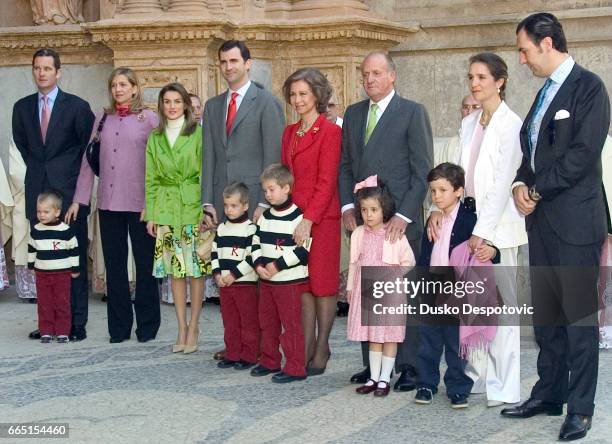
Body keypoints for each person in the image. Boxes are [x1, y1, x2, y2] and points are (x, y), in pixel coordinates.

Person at [502, 13, 610, 442]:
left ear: (547, 43)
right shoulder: (544, 94)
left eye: (525, 50)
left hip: (576, 222)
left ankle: (580, 408)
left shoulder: (589, 87)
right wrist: (517, 185)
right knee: (548, 316)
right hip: (542, 221)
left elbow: (583, 155)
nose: (522, 60)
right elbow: (530, 150)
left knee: (578, 319)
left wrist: (537, 189)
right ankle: (549, 392)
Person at [428, 53, 526, 406]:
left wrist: (484, 234)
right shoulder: (469, 124)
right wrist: (437, 211)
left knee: (502, 309)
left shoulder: (511, 124)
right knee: (472, 307)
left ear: (500, 81)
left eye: (482, 77)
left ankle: (505, 387)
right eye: (471, 76)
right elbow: (456, 180)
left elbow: (502, 184)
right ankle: (479, 377)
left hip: (498, 227)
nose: (475, 83)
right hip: (467, 222)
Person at [338, 51, 433, 390]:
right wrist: (348, 207)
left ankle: (409, 366)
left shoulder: (411, 112)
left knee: (403, 296)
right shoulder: (353, 113)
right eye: (365, 73)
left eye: (377, 73)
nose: (370, 79)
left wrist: (405, 215)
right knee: (369, 293)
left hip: (400, 224)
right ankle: (373, 367)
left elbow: (422, 169)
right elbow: (346, 164)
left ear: (392, 75)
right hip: (366, 223)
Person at [202, 39, 285, 360]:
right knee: (230, 281)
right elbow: (208, 156)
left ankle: (263, 348)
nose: (228, 67)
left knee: (257, 281)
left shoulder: (266, 102)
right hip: (225, 207)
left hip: (255, 206)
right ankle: (235, 345)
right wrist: (207, 202)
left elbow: (273, 157)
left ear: (247, 64)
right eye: (223, 62)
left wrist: (265, 204)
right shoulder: (212, 106)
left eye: (234, 61)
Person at [67, 67, 160, 344]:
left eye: (123, 84)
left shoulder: (149, 119)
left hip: (140, 204)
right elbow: (88, 161)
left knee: (145, 267)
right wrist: (79, 199)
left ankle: (147, 326)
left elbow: (159, 164)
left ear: (134, 88)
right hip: (108, 204)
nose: (118, 89)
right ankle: (118, 329)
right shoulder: (101, 118)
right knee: (115, 268)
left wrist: (155, 205)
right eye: (114, 85)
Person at [12, 48, 95, 341]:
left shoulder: (77, 106)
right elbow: (25, 147)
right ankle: (48, 323)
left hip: (69, 196)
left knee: (72, 262)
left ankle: (76, 324)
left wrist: (78, 197)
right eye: (37, 68)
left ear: (58, 72)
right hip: (39, 195)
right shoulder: (21, 108)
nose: (42, 73)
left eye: (47, 68)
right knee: (45, 264)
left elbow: (88, 152)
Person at [415, 163, 498, 409]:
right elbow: (424, 254)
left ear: (459, 190)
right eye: (433, 191)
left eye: (442, 190)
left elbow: (490, 250)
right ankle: (426, 384)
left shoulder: (470, 220)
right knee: (428, 340)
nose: (437, 196)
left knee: (455, 342)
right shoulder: (432, 219)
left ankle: (458, 388)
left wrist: (491, 250)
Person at [281, 68, 342, 375]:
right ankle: (304, 346)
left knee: (323, 285)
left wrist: (309, 219)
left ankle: (322, 346)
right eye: (293, 94)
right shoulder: (290, 132)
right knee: (302, 285)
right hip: (295, 218)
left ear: (317, 95)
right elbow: (287, 177)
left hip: (322, 219)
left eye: (303, 93)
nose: (297, 99)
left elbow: (327, 180)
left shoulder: (330, 132)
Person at [145, 82, 207, 354]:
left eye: (176, 101)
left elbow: (206, 171)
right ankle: (181, 326)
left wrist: (206, 208)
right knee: (176, 272)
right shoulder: (155, 137)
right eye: (166, 101)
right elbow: (150, 178)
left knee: (195, 270)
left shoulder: (198, 134)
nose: (171, 106)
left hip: (192, 204)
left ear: (186, 105)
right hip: (167, 207)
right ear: (161, 106)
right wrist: (152, 213)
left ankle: (194, 325)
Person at [347, 176, 415, 397]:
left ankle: (385, 378)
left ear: (384, 209)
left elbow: (409, 262)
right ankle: (373, 377)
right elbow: (354, 263)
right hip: (366, 291)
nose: (369, 215)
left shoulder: (394, 234)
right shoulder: (358, 234)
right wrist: (349, 288)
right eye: (364, 210)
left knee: (389, 337)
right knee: (374, 337)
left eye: (374, 210)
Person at [250, 164, 309, 383]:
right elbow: (255, 243)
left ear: (286, 188)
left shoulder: (299, 218)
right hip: (266, 281)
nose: (267, 194)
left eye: (271, 189)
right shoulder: (264, 217)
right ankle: (269, 360)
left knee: (291, 325)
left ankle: (295, 367)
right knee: (267, 322)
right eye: (265, 190)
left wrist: (277, 266)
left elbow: (303, 251)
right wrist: (258, 266)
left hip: (289, 281)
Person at [212, 182, 259, 370]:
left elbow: (251, 257)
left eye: (234, 206)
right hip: (225, 285)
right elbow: (214, 253)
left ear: (245, 205)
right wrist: (217, 274)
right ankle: (232, 353)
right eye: (226, 206)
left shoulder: (251, 229)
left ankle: (249, 356)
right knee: (230, 321)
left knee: (247, 321)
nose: (229, 210)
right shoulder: (222, 229)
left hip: (244, 284)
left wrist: (233, 274)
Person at [27, 191, 80, 343]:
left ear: (57, 212)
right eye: (39, 211)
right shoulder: (36, 230)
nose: (41, 215)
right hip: (42, 273)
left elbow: (74, 250)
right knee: (44, 303)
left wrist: (75, 269)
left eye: (46, 211)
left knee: (62, 302)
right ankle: (46, 331)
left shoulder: (66, 230)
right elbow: (32, 249)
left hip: (62, 274)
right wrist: (31, 265)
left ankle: (63, 331)